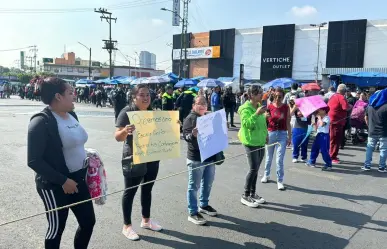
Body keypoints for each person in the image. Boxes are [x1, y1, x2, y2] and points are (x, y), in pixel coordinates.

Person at [27, 77, 95, 249]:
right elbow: (34, 160)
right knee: (56, 228)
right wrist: (63, 181)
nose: (75, 96)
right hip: (54, 185)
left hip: (78, 178)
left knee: (88, 222)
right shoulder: (40, 122)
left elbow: (72, 144)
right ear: (58, 96)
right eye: (70, 92)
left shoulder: (72, 115)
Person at [115, 84, 162, 241]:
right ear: (134, 97)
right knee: (130, 191)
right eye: (142, 94)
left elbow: (161, 132)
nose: (146, 97)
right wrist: (125, 130)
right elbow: (117, 137)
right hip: (134, 156)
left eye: (148, 94)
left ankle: (146, 220)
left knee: (147, 189)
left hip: (152, 155)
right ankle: (126, 226)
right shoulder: (127, 111)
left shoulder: (152, 112)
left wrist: (173, 127)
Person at [183, 95, 218, 225]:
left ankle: (203, 205)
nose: (203, 105)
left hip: (209, 156)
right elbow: (185, 137)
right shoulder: (190, 118)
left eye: (204, 103)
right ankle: (192, 212)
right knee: (194, 186)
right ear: (193, 105)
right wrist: (192, 134)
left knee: (208, 183)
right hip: (196, 158)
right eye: (199, 103)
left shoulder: (208, 117)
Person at [238, 85, 268, 208]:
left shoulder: (259, 107)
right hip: (250, 142)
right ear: (252, 96)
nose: (262, 95)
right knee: (253, 168)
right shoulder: (245, 108)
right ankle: (245, 195)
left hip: (260, 141)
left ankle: (253, 193)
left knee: (256, 169)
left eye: (262, 92)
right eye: (259, 93)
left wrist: (266, 135)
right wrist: (256, 114)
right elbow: (247, 124)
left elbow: (262, 123)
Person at [261, 88, 291, 190]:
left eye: (280, 97)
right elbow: (265, 122)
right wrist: (265, 133)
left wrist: (289, 136)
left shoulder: (286, 107)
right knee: (268, 157)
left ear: (283, 97)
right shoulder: (269, 107)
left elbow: (288, 122)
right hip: (271, 133)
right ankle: (266, 174)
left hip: (282, 134)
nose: (277, 99)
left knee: (279, 160)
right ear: (273, 96)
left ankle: (280, 180)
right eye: (276, 96)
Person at [362, 89, 387, 172]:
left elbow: (365, 118)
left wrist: (370, 126)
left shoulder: (370, 106)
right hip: (384, 131)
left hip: (372, 130)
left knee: (370, 148)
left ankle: (367, 165)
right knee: (383, 149)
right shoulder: (386, 106)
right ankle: (381, 167)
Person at [327, 84, 350, 164]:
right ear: (344, 91)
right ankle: (332, 157)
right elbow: (345, 107)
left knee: (333, 139)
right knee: (335, 140)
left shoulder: (333, 96)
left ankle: (332, 155)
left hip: (332, 120)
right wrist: (351, 106)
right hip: (337, 121)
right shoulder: (341, 97)